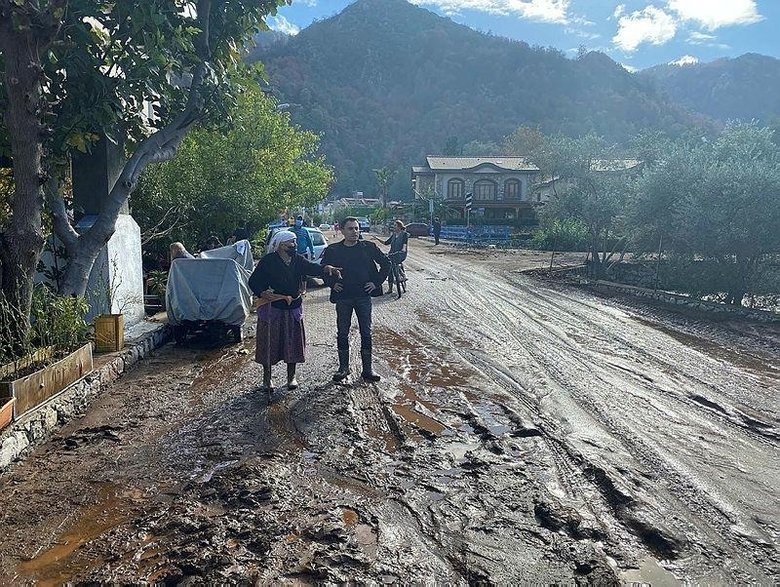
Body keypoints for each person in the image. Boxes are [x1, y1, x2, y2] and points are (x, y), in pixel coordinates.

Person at [248, 230, 341, 393]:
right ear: (281, 245)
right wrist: (262, 293)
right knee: (269, 344)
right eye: (292, 243)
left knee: (292, 343)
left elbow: (313, 268)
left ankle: (291, 377)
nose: (295, 245)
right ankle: (267, 379)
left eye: (295, 242)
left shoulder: (298, 260)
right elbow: (253, 281)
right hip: (274, 308)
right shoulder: (268, 261)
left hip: (293, 307)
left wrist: (327, 268)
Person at [321, 217, 391, 383]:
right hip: (343, 297)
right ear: (342, 230)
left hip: (363, 297)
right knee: (342, 332)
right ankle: (343, 368)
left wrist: (376, 283)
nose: (354, 232)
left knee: (366, 332)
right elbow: (323, 269)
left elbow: (386, 264)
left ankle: (367, 369)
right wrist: (332, 284)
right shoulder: (334, 250)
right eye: (350, 229)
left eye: (356, 228)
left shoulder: (368, 247)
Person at [375, 219, 409, 294]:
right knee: (389, 268)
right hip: (392, 254)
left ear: (399, 226)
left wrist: (403, 250)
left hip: (400, 254)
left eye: (395, 225)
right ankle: (390, 289)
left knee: (393, 261)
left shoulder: (404, 234)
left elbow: (404, 244)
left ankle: (402, 275)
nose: (394, 227)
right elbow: (386, 243)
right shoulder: (393, 235)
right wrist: (377, 239)